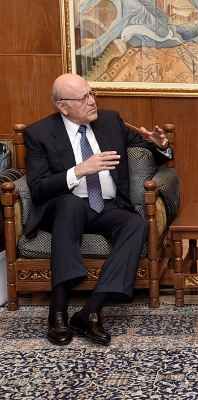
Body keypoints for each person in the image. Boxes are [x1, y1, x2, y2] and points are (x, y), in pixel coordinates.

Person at [24, 73, 173, 346]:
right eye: (83, 98)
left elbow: (146, 145)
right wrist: (79, 170)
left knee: (135, 224)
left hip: (106, 206)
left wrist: (161, 145)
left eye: (92, 93)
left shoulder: (110, 121)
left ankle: (91, 310)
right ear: (63, 106)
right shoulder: (39, 133)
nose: (92, 101)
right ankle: (58, 309)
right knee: (70, 204)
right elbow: (38, 188)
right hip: (64, 209)